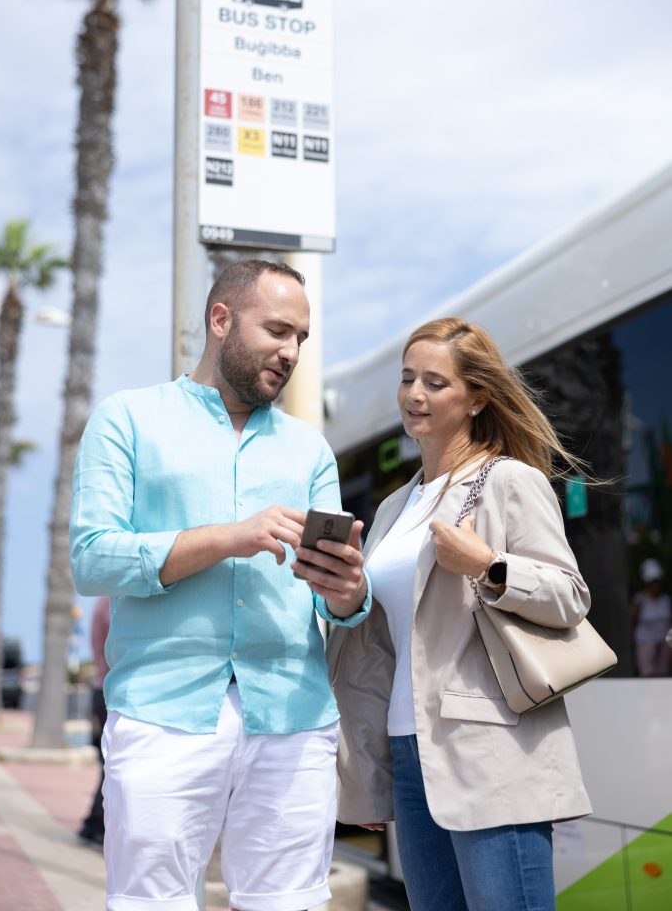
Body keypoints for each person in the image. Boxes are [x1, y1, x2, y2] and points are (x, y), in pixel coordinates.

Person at [70, 259, 369, 911]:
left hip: (293, 715)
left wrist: (347, 590)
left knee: (289, 904)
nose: (291, 352)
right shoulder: (127, 420)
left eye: (301, 339)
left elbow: (336, 606)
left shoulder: (309, 450)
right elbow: (92, 560)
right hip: (161, 712)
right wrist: (231, 536)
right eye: (278, 331)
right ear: (221, 319)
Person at [327, 316, 592, 911]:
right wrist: (346, 596)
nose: (415, 395)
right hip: (408, 751)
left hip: (492, 750)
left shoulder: (509, 481)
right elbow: (383, 647)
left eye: (434, 382)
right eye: (407, 379)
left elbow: (570, 596)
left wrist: (489, 564)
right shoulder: (397, 504)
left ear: (477, 398)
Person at [78, 594, 110, 849]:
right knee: (112, 765)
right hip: (109, 691)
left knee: (108, 764)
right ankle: (96, 827)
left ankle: (93, 825)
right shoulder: (112, 602)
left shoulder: (103, 601)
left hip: (102, 689)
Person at [631, 558, 671, 677]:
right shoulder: (640, 600)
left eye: (656, 581)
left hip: (664, 644)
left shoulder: (665, 601)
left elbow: (670, 624)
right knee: (647, 676)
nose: (655, 584)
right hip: (645, 644)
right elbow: (632, 621)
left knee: (663, 676)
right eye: (652, 581)